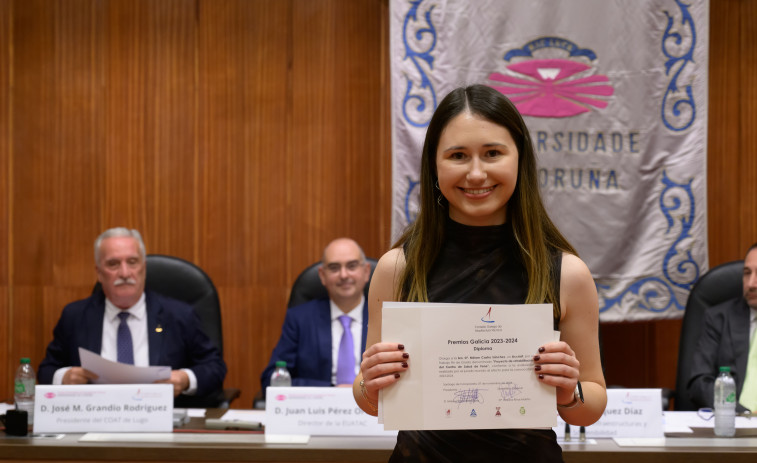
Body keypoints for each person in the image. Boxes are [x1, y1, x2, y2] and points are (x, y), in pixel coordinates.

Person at [352, 84, 606, 461]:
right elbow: (370, 401)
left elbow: (593, 401)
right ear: (434, 166)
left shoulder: (567, 272)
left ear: (519, 159)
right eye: (457, 155)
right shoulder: (397, 268)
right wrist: (369, 384)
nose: (475, 173)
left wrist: (570, 392)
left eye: (492, 154)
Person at [38, 227, 227, 408]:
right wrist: (63, 377)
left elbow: (214, 366)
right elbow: (46, 369)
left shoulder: (178, 315)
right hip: (94, 421)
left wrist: (185, 380)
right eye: (113, 264)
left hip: (162, 421)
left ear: (143, 268)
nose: (125, 273)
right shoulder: (75, 316)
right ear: (99, 273)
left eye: (132, 262)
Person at [260, 238, 371, 393]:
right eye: (334, 268)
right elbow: (273, 379)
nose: (344, 275)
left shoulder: (385, 318)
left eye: (351, 266)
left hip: (373, 410)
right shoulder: (299, 319)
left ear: (366, 271)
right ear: (322, 275)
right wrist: (331, 391)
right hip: (317, 411)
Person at [688, 244, 757, 413]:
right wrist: (740, 412)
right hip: (732, 425)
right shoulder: (719, 318)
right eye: (747, 273)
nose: (751, 283)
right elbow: (699, 382)